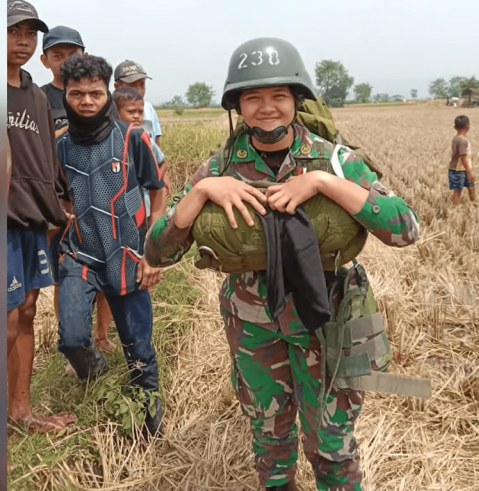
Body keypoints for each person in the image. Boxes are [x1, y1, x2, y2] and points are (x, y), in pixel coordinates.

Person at [145, 38, 419, 490]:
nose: (266, 108)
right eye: (253, 97)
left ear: (297, 100)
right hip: (254, 325)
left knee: (332, 449)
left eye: (279, 96)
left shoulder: (334, 159)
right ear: (237, 106)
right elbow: (157, 252)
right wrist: (201, 193)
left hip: (327, 322)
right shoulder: (220, 166)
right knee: (270, 445)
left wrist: (324, 183)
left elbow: (405, 228)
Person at [56, 53, 166, 435]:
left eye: (95, 93)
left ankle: (149, 430)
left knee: (139, 353)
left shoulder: (133, 138)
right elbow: (61, 196)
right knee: (71, 339)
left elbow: (158, 190)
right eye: (76, 94)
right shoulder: (61, 147)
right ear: (66, 95)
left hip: (128, 255)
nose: (86, 101)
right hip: (80, 254)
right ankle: (99, 380)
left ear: (108, 94)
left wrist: (152, 253)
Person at [7, 0, 76, 433]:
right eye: (15, 31)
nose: (23, 41)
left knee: (29, 309)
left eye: (30, 34)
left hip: (34, 217)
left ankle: (21, 409)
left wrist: (62, 206)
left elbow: (48, 161)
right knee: (9, 315)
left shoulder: (36, 98)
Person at [39, 25, 116, 356]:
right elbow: (34, 149)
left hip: (98, 201)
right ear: (45, 60)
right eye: (57, 55)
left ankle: (102, 334)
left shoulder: (99, 95)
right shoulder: (39, 98)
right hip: (60, 204)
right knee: (63, 276)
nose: (64, 60)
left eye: (71, 54)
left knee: (105, 275)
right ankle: (72, 341)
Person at [113, 59, 172, 196]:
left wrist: (163, 176)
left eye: (142, 84)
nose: (139, 90)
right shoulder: (111, 112)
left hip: (148, 188)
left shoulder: (149, 109)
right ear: (117, 86)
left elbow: (156, 145)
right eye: (132, 85)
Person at [113, 86, 167, 218]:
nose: (137, 116)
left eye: (140, 112)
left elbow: (163, 163)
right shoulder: (110, 142)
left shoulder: (144, 139)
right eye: (131, 112)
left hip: (145, 207)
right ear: (115, 112)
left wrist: (154, 178)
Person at [448, 114, 475, 205]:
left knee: (470, 187)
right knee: (458, 191)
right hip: (458, 170)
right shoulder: (462, 141)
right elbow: (463, 157)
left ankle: (475, 205)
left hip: (460, 169)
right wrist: (469, 172)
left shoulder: (456, 139)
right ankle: (454, 208)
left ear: (455, 127)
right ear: (468, 126)